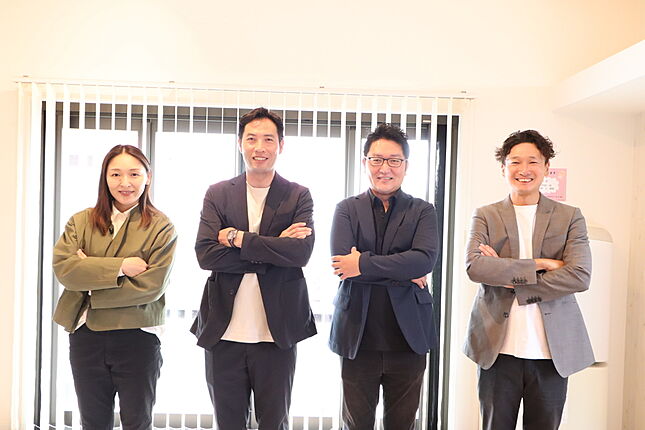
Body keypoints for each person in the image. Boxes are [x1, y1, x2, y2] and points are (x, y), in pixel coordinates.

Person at [191, 107, 317, 429]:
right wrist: (274, 248)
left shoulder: (298, 195)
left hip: (277, 331)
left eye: (268, 139)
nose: (259, 147)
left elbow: (300, 253)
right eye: (251, 139)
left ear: (281, 145)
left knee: (274, 422)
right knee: (228, 423)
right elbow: (206, 255)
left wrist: (237, 238)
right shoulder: (218, 193)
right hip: (223, 331)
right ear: (240, 143)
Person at [463, 130, 594, 430]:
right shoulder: (485, 215)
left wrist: (507, 274)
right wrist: (542, 264)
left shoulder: (570, 216)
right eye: (515, 162)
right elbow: (475, 267)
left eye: (533, 161)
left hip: (551, 352)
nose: (524, 169)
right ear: (503, 168)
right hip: (497, 351)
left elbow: (579, 275)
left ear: (546, 167)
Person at [52, 144, 177, 430]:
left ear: (148, 177)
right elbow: (65, 270)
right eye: (116, 174)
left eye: (134, 174)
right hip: (86, 336)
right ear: (105, 178)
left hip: (138, 337)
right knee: (92, 422)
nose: (125, 183)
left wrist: (91, 280)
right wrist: (122, 267)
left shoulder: (161, 227)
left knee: (137, 422)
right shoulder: (81, 221)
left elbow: (151, 286)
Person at [329, 123, 439, 430]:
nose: (385, 168)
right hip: (358, 336)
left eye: (394, 160)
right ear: (365, 162)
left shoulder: (423, 211)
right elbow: (342, 265)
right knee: (356, 424)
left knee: (402, 424)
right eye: (376, 160)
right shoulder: (346, 209)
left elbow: (424, 260)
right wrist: (403, 272)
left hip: (408, 337)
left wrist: (362, 263)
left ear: (406, 165)